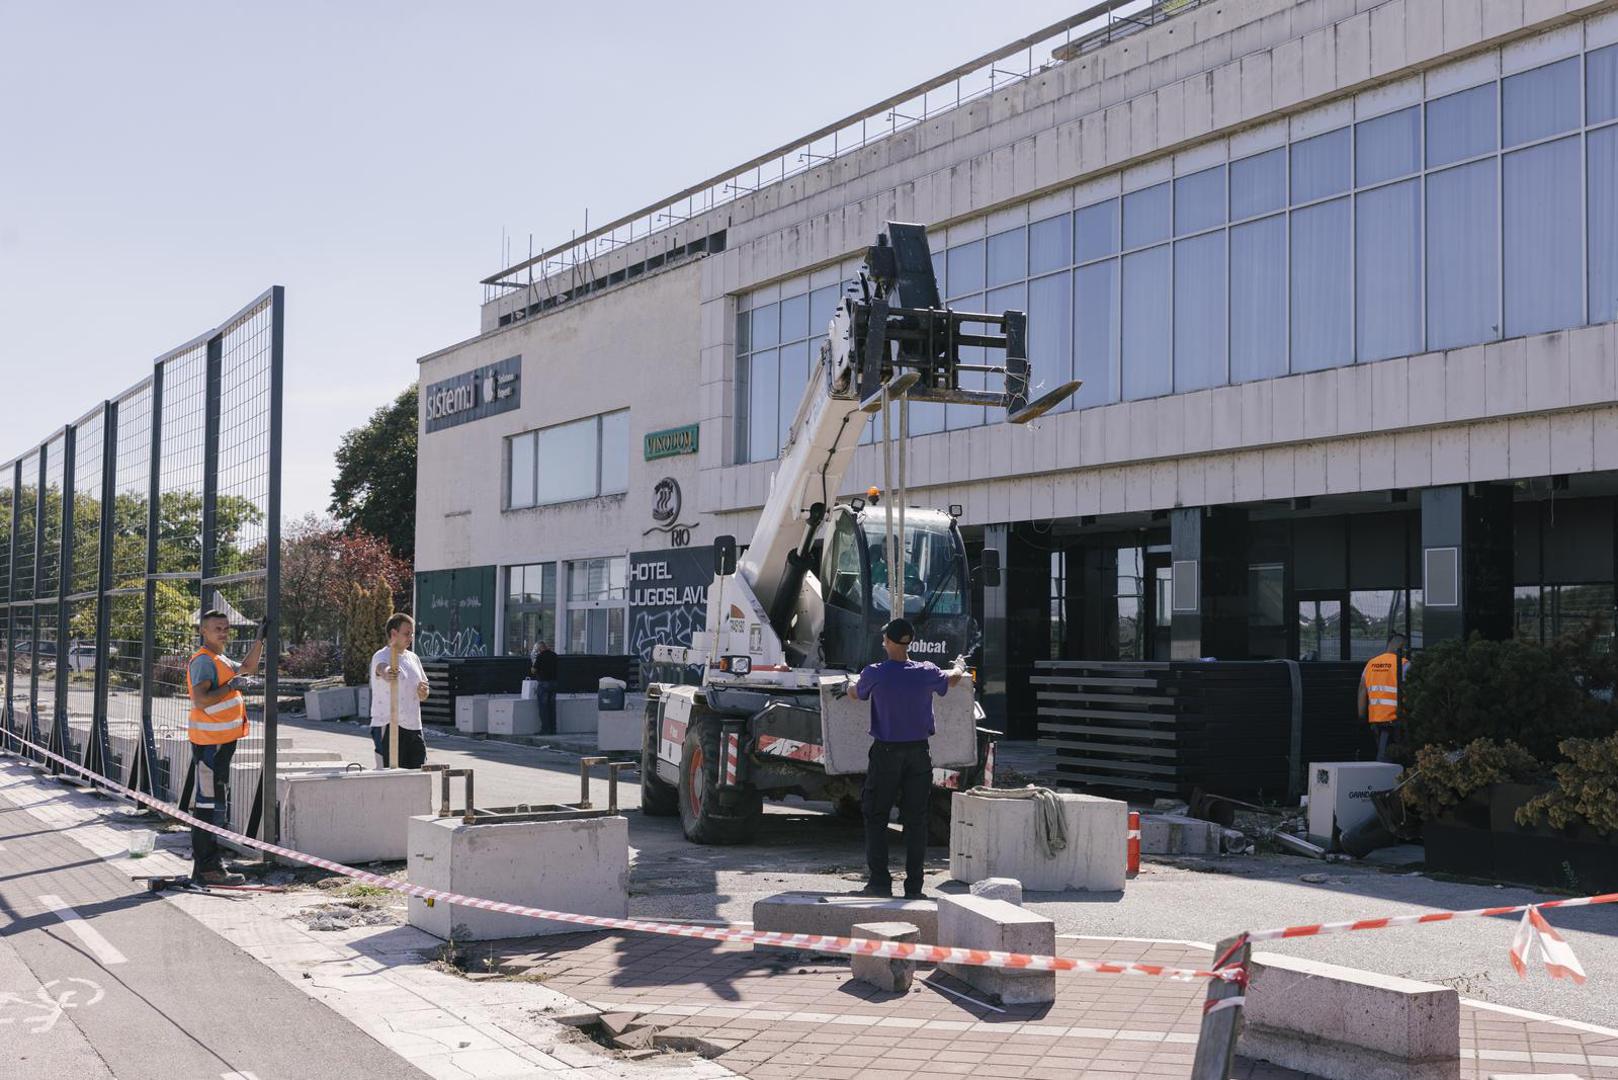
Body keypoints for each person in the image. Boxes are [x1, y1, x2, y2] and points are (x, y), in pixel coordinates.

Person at [843, 617, 966, 898]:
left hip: (886, 754)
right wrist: (959, 664)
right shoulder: (926, 671)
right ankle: (914, 888)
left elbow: (855, 693)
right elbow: (954, 678)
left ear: (887, 642)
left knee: (876, 815)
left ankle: (879, 883)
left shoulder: (875, 673)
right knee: (916, 821)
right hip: (919, 754)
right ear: (909, 642)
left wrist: (846, 685)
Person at [186, 609, 267, 886]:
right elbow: (202, 700)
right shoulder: (203, 661)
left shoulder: (219, 659)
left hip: (219, 745)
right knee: (208, 805)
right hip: (209, 746)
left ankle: (209, 866)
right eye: (217, 628)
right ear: (203, 632)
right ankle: (208, 868)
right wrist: (232, 686)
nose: (223, 632)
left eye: (226, 628)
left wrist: (259, 640)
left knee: (214, 804)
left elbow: (247, 668)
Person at [370, 613, 430, 769]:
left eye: (412, 633)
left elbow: (424, 689)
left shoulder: (413, 658)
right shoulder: (381, 655)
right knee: (390, 776)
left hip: (414, 726)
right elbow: (381, 668)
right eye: (406, 633)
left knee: (418, 774)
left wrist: (423, 692)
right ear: (393, 634)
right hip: (389, 724)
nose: (410, 637)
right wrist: (387, 672)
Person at [1358, 631, 1410, 762]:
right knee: (1390, 759)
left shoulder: (1371, 664)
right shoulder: (1405, 665)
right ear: (1402, 647)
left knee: (1383, 754)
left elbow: (1362, 691)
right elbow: (1410, 690)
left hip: (1376, 719)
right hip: (1396, 719)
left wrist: (1362, 716)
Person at [530, 639, 559, 735]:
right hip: (554, 683)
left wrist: (533, 662)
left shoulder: (540, 656)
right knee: (552, 707)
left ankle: (545, 729)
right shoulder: (554, 655)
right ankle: (553, 729)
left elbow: (534, 670)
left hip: (543, 683)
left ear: (540, 648)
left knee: (543, 707)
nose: (537, 651)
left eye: (537, 649)